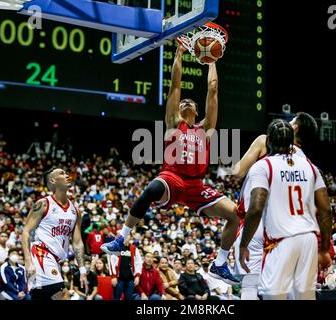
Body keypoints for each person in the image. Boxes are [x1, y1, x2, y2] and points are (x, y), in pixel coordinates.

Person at [102, 44, 240, 285]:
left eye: (190, 102)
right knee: (152, 189)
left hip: (196, 185)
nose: (185, 102)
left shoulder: (205, 129)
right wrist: (178, 55)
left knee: (237, 215)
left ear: (197, 111)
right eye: (183, 102)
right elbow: (175, 85)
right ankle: (122, 238)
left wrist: (211, 60)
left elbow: (213, 90)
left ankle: (219, 264)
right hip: (172, 176)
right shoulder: (174, 123)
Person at [233, 112, 331, 299]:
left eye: (291, 120)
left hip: (261, 224)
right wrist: (325, 248)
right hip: (299, 232)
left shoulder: (264, 143)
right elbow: (325, 210)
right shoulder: (310, 166)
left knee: (251, 286)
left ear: (293, 128)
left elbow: (237, 173)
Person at [22, 168, 88, 300]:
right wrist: (28, 260)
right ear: (53, 180)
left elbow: (77, 242)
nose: (67, 175)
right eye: (62, 173)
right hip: (41, 254)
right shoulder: (43, 204)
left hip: (56, 260)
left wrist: (82, 270)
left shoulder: (76, 211)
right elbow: (25, 232)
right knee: (63, 294)